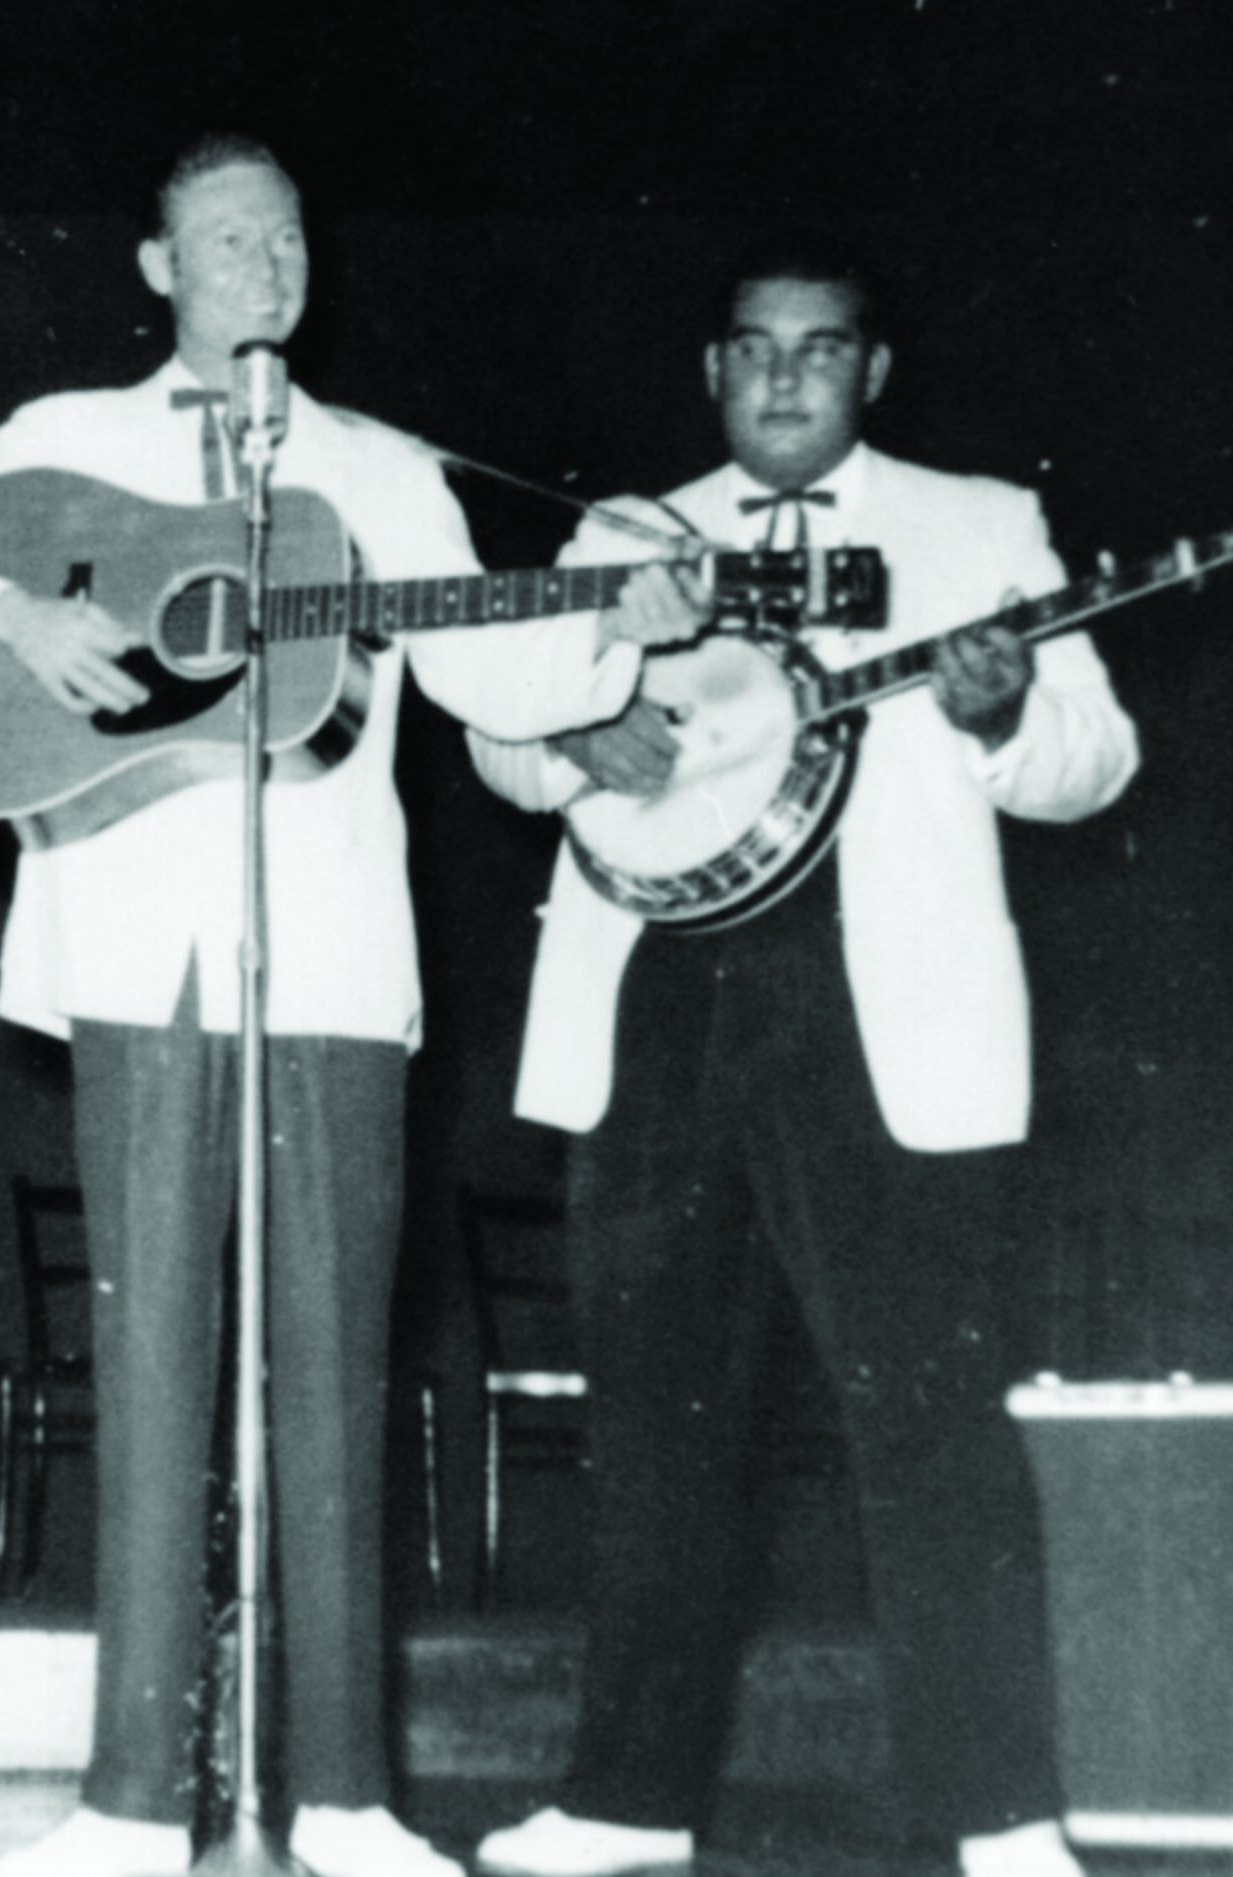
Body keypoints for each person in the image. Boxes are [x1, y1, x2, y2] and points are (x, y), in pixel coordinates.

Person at [0, 135, 692, 1877]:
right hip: (141, 953)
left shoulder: (375, 471)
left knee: (336, 1380)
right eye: (226, 238)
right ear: (159, 267)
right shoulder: (69, 440)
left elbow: (491, 665)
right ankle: (129, 1804)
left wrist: (618, 624)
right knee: (147, 1375)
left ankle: (348, 1797)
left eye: (286, 236)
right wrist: (8, 613)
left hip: (340, 969)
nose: (265, 264)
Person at [466, 238, 1139, 1877]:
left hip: (880, 1012)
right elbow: (498, 730)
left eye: (820, 351)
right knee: (653, 1425)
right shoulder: (630, 531)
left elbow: (1095, 757)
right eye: (754, 350)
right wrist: (571, 737)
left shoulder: (979, 527)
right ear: (713, 370)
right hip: (656, 1005)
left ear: (872, 374)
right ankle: (626, 1799)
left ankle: (999, 1814)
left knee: (926, 1425)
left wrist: (996, 719)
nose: (782, 378)